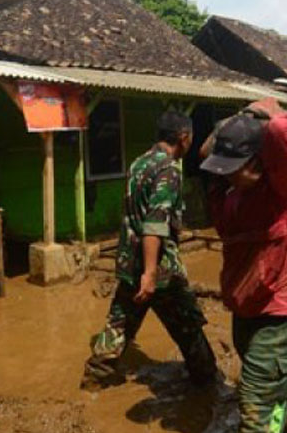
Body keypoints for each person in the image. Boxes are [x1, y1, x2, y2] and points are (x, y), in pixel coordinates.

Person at [200, 112, 287, 433]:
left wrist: (253, 110)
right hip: (247, 304)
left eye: (237, 168)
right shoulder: (231, 197)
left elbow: (285, 129)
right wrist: (225, 133)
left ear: (260, 161)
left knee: (252, 396)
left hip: (284, 306)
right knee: (275, 380)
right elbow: (206, 155)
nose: (228, 176)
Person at [81, 111, 218, 391]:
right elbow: (155, 223)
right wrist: (151, 272)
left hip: (129, 261)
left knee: (120, 322)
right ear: (183, 138)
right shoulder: (169, 170)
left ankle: (96, 376)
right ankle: (207, 385)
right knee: (188, 325)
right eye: (191, 137)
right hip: (159, 268)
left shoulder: (138, 163)